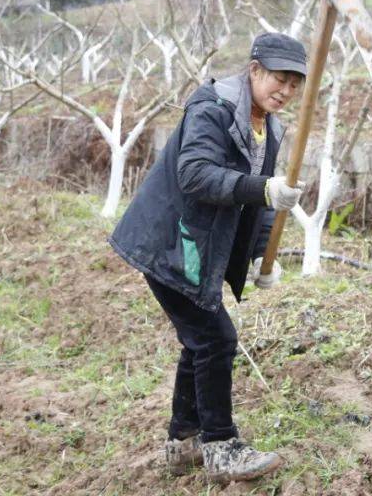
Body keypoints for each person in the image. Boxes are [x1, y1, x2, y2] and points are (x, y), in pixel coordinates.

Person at [108, 32, 307, 484]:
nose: (286, 91)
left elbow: (257, 203)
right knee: (216, 339)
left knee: (199, 340)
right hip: (169, 241)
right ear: (254, 70)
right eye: (279, 79)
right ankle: (221, 445)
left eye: (295, 84)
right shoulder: (212, 108)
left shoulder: (267, 128)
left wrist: (259, 256)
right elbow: (195, 174)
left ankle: (184, 443)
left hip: (198, 247)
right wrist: (262, 188)